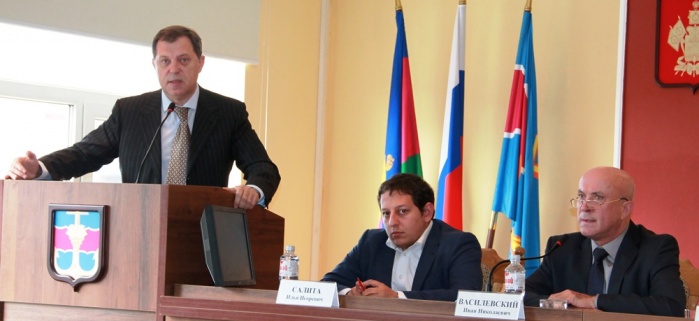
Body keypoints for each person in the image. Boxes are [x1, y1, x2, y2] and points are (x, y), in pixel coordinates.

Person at [4, 25, 280, 209]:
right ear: (154, 65)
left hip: (202, 234)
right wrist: (40, 169)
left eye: (183, 60)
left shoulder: (228, 113)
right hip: (139, 230)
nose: (173, 69)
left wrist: (254, 189)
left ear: (200, 62)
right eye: (165, 61)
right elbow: (85, 153)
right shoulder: (130, 112)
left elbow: (263, 168)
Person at [524, 166, 685, 317]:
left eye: (597, 198)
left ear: (624, 209)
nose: (584, 207)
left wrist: (593, 301)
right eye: (581, 197)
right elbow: (520, 296)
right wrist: (555, 302)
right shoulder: (562, 247)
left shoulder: (656, 249)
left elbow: (671, 306)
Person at [321, 173, 482, 301]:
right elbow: (326, 285)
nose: (392, 222)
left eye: (402, 211)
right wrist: (349, 293)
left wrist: (397, 297)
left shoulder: (458, 244)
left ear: (427, 212)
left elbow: (465, 298)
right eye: (386, 213)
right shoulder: (371, 242)